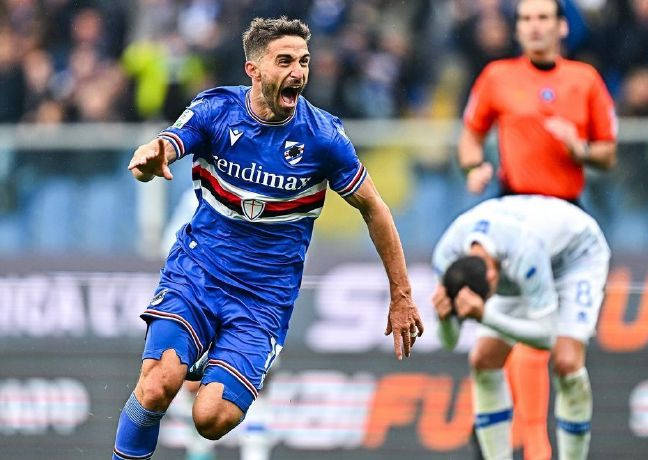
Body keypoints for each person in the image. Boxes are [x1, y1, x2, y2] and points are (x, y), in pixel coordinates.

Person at [112, 17, 423, 460]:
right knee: (157, 385)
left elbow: (375, 209)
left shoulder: (324, 138)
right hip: (197, 274)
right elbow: (169, 143)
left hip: (262, 300)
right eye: (285, 61)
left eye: (304, 61)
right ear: (253, 70)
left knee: (211, 419)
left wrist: (401, 295)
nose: (298, 72)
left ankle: (208, 360)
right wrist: (151, 155)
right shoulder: (216, 110)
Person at [457, 1, 617, 458]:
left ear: (562, 27)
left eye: (543, 18)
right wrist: (473, 166)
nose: (534, 27)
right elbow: (470, 134)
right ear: (518, 29)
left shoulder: (585, 79)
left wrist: (579, 148)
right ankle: (507, 447)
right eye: (526, 19)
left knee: (565, 361)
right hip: (514, 221)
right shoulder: (497, 77)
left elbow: (608, 153)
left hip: (567, 226)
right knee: (486, 356)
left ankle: (546, 448)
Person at [431, 195, 610, 460]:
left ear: (493, 277)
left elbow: (547, 337)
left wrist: (486, 316)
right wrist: (444, 319)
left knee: (567, 363)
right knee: (483, 359)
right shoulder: (446, 258)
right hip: (520, 259)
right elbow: (449, 342)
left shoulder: (524, 252)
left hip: (574, 256)